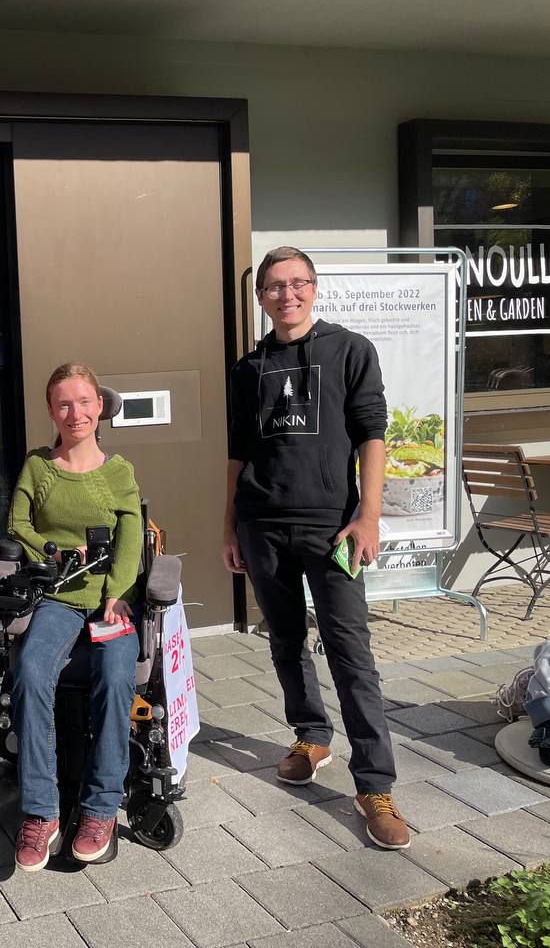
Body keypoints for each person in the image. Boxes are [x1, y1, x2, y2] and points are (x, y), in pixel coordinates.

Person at [222, 245, 410, 850]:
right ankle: (311, 735)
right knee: (284, 640)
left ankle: (374, 785)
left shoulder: (350, 350)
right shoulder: (247, 369)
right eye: (275, 286)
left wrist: (368, 516)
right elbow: (238, 451)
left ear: (315, 288)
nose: (288, 294)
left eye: (298, 283)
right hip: (262, 524)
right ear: (261, 298)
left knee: (351, 652)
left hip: (333, 529)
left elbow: (373, 434)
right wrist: (230, 525)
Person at [5, 363, 143, 871]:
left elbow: (131, 536)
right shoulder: (39, 466)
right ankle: (42, 812)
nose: (75, 412)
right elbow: (17, 522)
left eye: (84, 401)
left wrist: (118, 592)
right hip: (58, 597)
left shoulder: (118, 472)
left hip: (112, 600)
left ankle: (100, 808)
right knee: (30, 671)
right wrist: (52, 552)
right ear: (51, 410)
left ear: (100, 406)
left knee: (115, 673)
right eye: (64, 403)